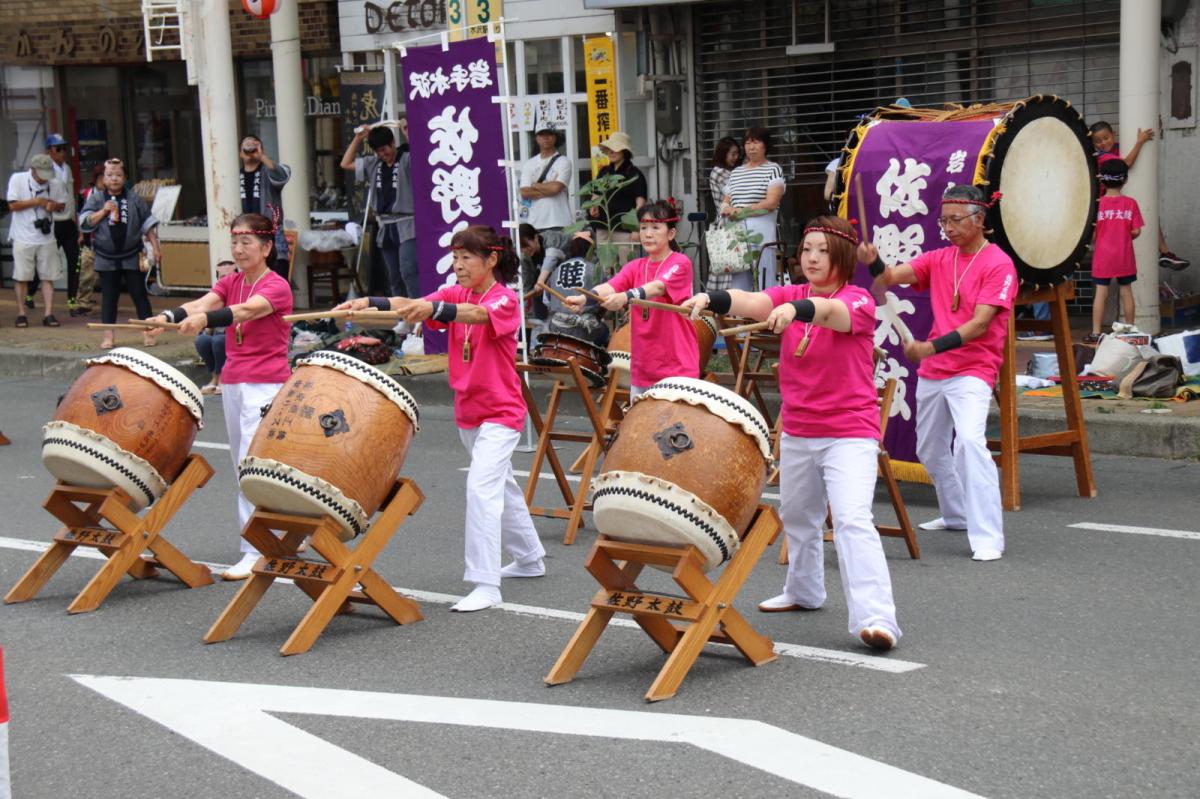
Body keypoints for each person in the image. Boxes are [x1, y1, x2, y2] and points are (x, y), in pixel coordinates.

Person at [683, 215, 900, 651]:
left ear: (840, 254)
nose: (812, 258)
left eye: (822, 250)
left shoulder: (857, 300)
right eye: (806, 250)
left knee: (852, 520)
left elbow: (830, 313)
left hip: (849, 433)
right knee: (799, 516)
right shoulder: (791, 293)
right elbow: (753, 300)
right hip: (800, 429)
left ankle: (878, 618)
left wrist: (797, 310)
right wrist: (714, 297)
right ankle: (804, 590)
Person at [336, 225, 546, 612]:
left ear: (492, 259)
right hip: (468, 409)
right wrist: (366, 302)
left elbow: (475, 314)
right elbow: (410, 303)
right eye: (455, 257)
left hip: (502, 411)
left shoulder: (503, 299)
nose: (459, 265)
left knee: (481, 488)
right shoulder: (454, 292)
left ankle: (486, 582)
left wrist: (434, 309)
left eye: (467, 257)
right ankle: (530, 557)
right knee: (502, 485)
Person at [870, 184, 1015, 562]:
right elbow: (889, 276)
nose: (948, 227)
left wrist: (928, 347)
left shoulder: (999, 263)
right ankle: (955, 514)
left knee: (969, 442)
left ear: (979, 219)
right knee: (929, 449)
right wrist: (872, 263)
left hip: (974, 368)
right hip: (935, 369)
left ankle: (988, 536)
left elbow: (981, 324)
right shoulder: (939, 258)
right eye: (943, 220)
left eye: (955, 220)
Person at [146, 213, 293, 579]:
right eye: (235, 242)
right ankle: (282, 530)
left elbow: (245, 312)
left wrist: (205, 322)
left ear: (266, 247)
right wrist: (167, 315)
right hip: (234, 381)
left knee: (251, 464)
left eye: (247, 243)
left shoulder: (277, 286)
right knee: (240, 461)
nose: (239, 249)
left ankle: (255, 548)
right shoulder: (230, 281)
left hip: (266, 383)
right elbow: (203, 303)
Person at [563, 200, 697, 397]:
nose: (647, 233)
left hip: (676, 367)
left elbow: (658, 287)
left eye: (655, 227)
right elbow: (610, 286)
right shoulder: (636, 266)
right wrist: (585, 299)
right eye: (643, 227)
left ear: (671, 233)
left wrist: (626, 297)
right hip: (644, 367)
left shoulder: (680, 262)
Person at [78, 158, 161, 349]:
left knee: (139, 294)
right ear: (103, 178)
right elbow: (85, 221)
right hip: (106, 256)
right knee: (109, 297)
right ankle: (108, 337)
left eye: (118, 175)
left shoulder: (133, 198)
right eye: (110, 175)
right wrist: (103, 211)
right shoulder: (97, 198)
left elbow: (147, 223)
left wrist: (155, 247)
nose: (114, 179)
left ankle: (149, 332)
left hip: (131, 253)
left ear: (125, 178)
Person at [1090, 120, 1185, 270]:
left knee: (1151, 216)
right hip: (1108, 201)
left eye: (1106, 138)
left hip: (1118, 198)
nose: (1103, 143)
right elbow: (1126, 164)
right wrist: (1139, 142)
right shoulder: (1102, 157)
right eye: (1098, 141)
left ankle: (1165, 252)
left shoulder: (1118, 149)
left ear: (1113, 135)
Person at [340, 122, 418, 300]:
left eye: (385, 149)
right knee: (394, 275)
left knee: (409, 271)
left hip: (408, 223)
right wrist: (358, 138)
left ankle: (419, 312)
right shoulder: (373, 163)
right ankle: (403, 316)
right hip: (386, 225)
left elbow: (423, 157)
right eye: (378, 151)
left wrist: (407, 133)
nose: (383, 154)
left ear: (393, 143)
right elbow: (345, 163)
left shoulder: (406, 159)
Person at [720, 126, 785, 291]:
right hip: (736, 238)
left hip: (762, 238)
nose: (751, 147)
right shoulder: (736, 173)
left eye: (755, 142)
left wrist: (741, 211)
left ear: (765, 145)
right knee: (739, 287)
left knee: (765, 285)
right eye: (748, 143)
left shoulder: (773, 169)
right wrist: (726, 207)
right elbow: (726, 201)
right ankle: (742, 316)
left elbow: (771, 203)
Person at [1086, 159, 1144, 343]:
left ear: (1102, 181)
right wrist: (1125, 236)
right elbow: (1136, 231)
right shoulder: (1130, 203)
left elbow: (1093, 235)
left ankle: (1096, 332)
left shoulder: (1097, 205)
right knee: (1126, 292)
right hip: (1124, 256)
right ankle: (1130, 330)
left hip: (1103, 257)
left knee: (1101, 293)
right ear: (1125, 180)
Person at [6, 153, 62, 328]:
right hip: (23, 235)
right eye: (41, 176)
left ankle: (49, 313)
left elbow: (62, 206)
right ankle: (21, 313)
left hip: (46, 237)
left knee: (48, 276)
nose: (44, 180)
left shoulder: (55, 183)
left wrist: (54, 206)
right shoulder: (18, 179)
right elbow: (12, 205)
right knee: (22, 276)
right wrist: (37, 201)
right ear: (32, 170)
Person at [587, 131, 647, 264]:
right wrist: (594, 206)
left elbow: (641, 204)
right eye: (609, 149)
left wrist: (637, 228)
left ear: (624, 151)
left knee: (626, 267)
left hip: (625, 230)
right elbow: (596, 193)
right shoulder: (604, 171)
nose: (611, 152)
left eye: (615, 149)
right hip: (603, 227)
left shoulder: (634, 174)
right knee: (605, 267)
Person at [238, 135, 292, 279]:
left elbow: (283, 176)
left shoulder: (268, 171)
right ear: (240, 153)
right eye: (246, 145)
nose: (250, 148)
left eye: (254, 145)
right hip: (246, 237)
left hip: (272, 236)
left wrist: (261, 156)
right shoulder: (234, 176)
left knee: (277, 281)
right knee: (253, 286)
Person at [46, 134, 84, 316]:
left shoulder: (67, 168)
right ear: (49, 151)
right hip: (53, 223)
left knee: (74, 261)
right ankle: (30, 292)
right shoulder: (45, 170)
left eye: (64, 148)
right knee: (48, 263)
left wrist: (77, 224)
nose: (62, 152)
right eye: (58, 149)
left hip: (68, 222)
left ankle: (72, 300)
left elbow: (72, 197)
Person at [519, 127, 574, 232]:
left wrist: (535, 185)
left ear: (555, 137)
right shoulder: (529, 164)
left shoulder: (564, 161)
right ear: (536, 138)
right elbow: (524, 192)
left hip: (559, 221)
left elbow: (556, 188)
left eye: (549, 134)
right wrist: (550, 190)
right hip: (535, 223)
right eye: (541, 134)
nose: (545, 137)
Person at [196, 260, 237, 395]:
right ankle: (214, 377)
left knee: (219, 341)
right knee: (202, 340)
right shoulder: (215, 296)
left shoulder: (240, 292)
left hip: (236, 335)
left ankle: (222, 378)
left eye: (229, 276)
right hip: (217, 334)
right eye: (222, 277)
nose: (226, 280)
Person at [518, 223, 572, 322]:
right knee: (536, 293)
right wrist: (521, 306)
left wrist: (541, 281)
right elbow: (527, 285)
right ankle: (541, 323)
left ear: (535, 237)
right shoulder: (525, 258)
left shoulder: (551, 237)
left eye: (526, 245)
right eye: (521, 248)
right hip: (546, 286)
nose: (524, 250)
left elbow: (551, 257)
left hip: (568, 279)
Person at [74, 164, 106, 316]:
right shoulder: (86, 194)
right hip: (90, 240)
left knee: (108, 276)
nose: (104, 181)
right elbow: (80, 215)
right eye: (101, 177)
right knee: (87, 274)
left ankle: (108, 303)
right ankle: (83, 303)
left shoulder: (116, 195)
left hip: (107, 242)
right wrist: (80, 234)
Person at [709, 136, 741, 211]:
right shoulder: (720, 172)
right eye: (733, 154)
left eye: (737, 153)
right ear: (723, 154)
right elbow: (735, 194)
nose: (736, 157)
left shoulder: (730, 169)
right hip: (728, 218)